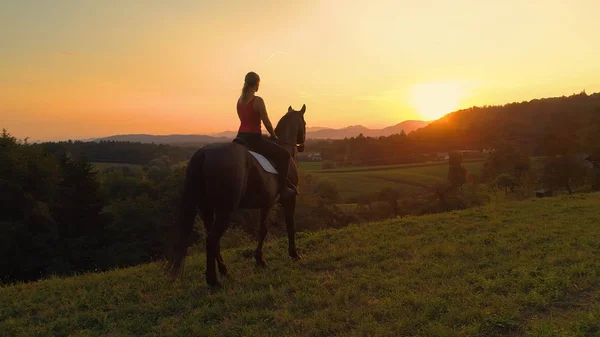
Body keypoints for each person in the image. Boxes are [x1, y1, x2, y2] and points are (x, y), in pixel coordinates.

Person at [235, 71, 297, 199]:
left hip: (240, 137)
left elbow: (242, 120)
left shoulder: (240, 101)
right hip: (254, 139)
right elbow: (266, 122)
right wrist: (273, 135)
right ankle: (284, 188)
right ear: (257, 84)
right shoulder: (257, 100)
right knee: (285, 155)